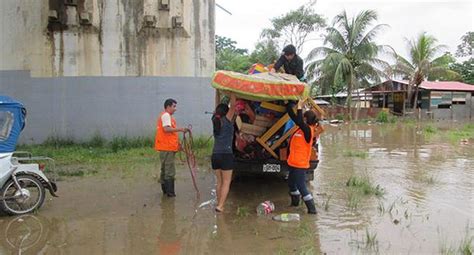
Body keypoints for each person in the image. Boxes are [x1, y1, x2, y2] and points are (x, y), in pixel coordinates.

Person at [286, 99, 318, 214]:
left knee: (301, 186)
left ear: (306, 119)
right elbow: (293, 116)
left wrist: (299, 106)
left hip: (300, 165)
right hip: (293, 163)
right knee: (291, 184)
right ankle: (295, 204)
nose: (302, 119)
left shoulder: (308, 131)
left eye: (304, 118)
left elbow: (298, 120)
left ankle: (312, 210)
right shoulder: (300, 129)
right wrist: (288, 105)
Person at [155, 98, 189, 197]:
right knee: (169, 171)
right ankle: (170, 194)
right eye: (174, 106)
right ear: (168, 106)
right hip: (167, 148)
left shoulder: (168, 117)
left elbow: (170, 133)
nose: (175, 109)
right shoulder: (166, 115)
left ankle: (166, 192)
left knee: (165, 169)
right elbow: (167, 129)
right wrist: (181, 129)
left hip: (167, 147)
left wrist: (178, 145)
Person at [211, 93, 237, 212]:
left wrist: (218, 92)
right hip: (226, 155)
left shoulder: (214, 119)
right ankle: (220, 206)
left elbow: (218, 106)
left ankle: (219, 203)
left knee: (220, 181)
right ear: (226, 113)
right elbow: (233, 106)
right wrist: (233, 92)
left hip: (215, 155)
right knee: (227, 182)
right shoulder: (227, 120)